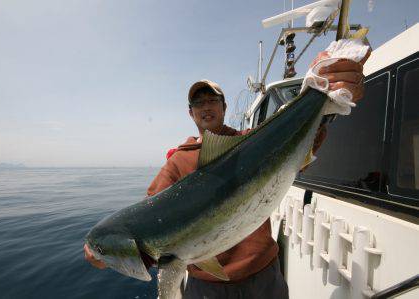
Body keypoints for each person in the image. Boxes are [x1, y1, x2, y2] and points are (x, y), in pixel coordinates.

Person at [84, 51, 369, 298]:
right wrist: (103, 254)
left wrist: (328, 102)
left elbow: (298, 157)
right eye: (199, 103)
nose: (206, 106)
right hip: (208, 288)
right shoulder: (177, 162)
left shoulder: (252, 143)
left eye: (212, 100)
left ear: (223, 106)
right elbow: (150, 215)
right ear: (191, 113)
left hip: (263, 275)